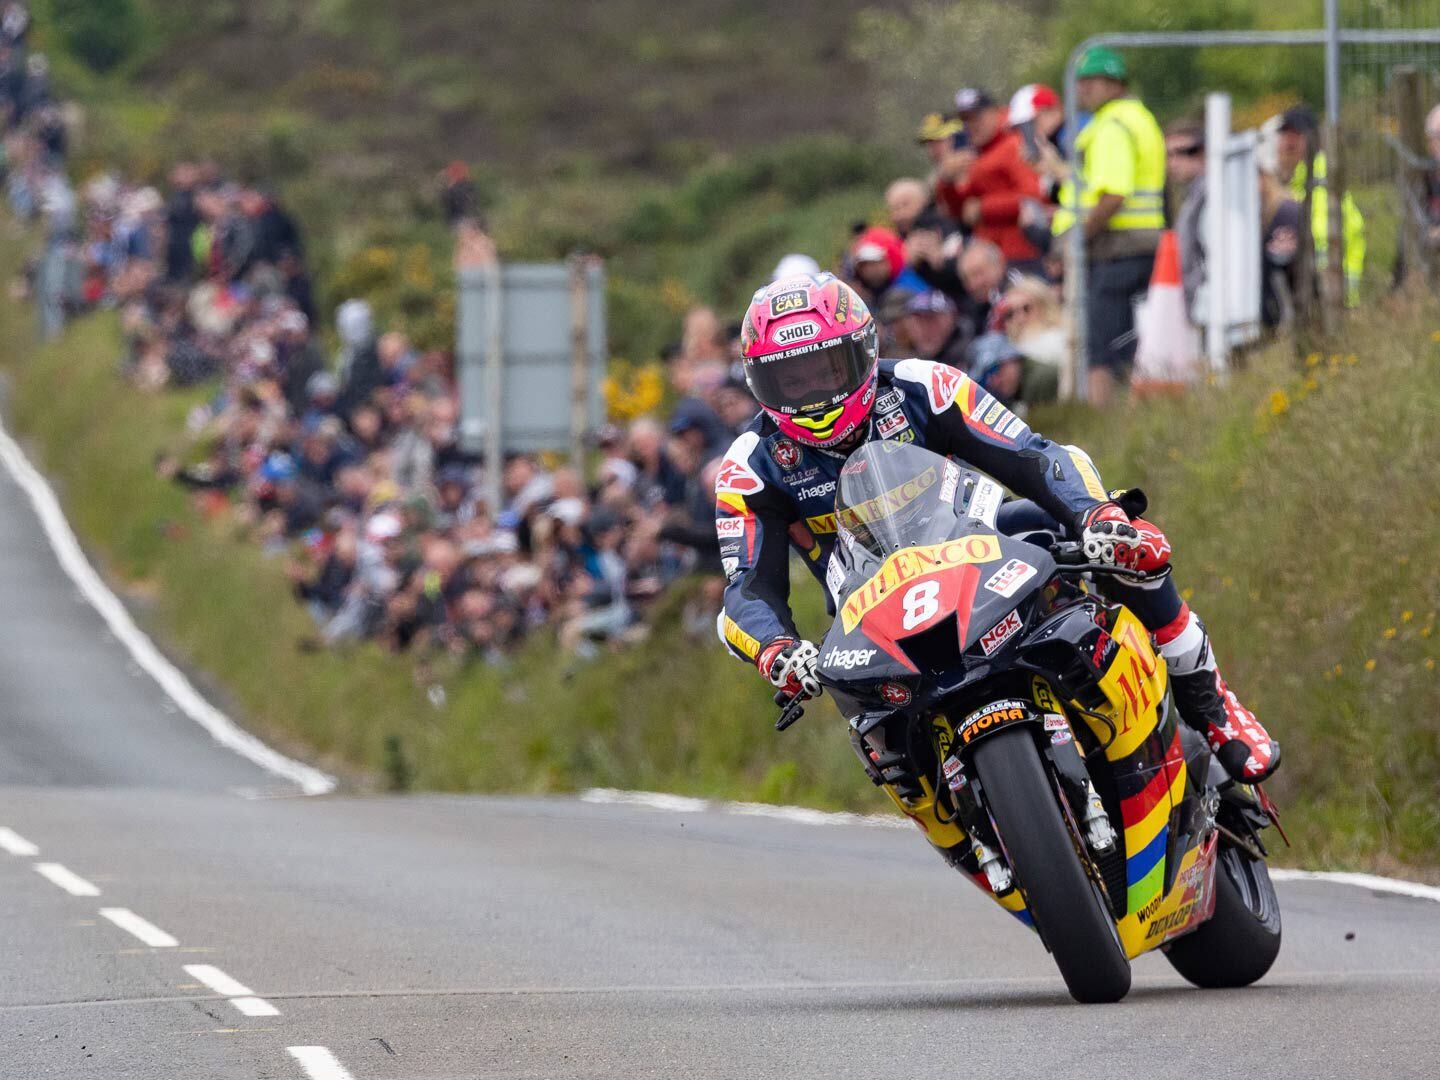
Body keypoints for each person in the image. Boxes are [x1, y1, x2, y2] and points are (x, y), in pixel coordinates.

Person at [713, 272, 1278, 795]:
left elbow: (1033, 456)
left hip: (980, 549)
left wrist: (1095, 515)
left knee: (1106, 537)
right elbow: (746, 590)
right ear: (758, 381)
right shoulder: (750, 465)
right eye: (791, 378)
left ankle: (1211, 704)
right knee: (876, 735)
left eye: (826, 368)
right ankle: (968, 830)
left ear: (863, 350)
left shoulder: (925, 386)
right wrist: (777, 650)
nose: (814, 394)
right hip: (869, 613)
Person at [1062, 47, 1166, 407]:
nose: (1082, 90)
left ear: (1113, 84)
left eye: (1091, 82)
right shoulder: (1140, 118)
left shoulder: (1111, 126)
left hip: (1118, 249)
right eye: (1080, 82)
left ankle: (1101, 424)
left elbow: (1113, 194)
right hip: (1145, 247)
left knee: (1102, 350)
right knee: (1134, 346)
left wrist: (1079, 239)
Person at [937, 88, 1045, 268]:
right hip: (989, 258)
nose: (972, 125)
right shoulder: (976, 155)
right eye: (966, 119)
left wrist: (984, 207)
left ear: (996, 112)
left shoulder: (1013, 145)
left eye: (977, 117)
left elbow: (1033, 196)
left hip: (1019, 253)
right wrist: (946, 181)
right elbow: (960, 211)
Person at [1273, 105, 1365, 306]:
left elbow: (1321, 236)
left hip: (1327, 297)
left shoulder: (1321, 181)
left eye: (1296, 135)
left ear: (1314, 139)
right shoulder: (1294, 181)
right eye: (1284, 134)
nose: (1288, 142)